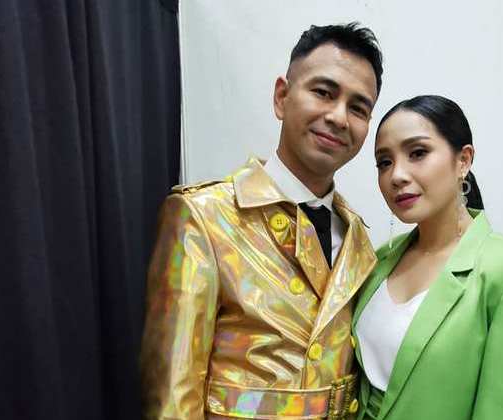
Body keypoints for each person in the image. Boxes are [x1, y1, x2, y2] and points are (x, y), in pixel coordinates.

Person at [141, 23, 383, 420]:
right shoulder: (205, 217)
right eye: (324, 92)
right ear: (282, 97)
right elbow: (171, 397)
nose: (339, 117)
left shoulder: (358, 238)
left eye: (358, 108)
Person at [352, 95, 503, 420]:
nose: (397, 175)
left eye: (417, 153)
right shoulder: (379, 261)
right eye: (384, 162)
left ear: (463, 160)